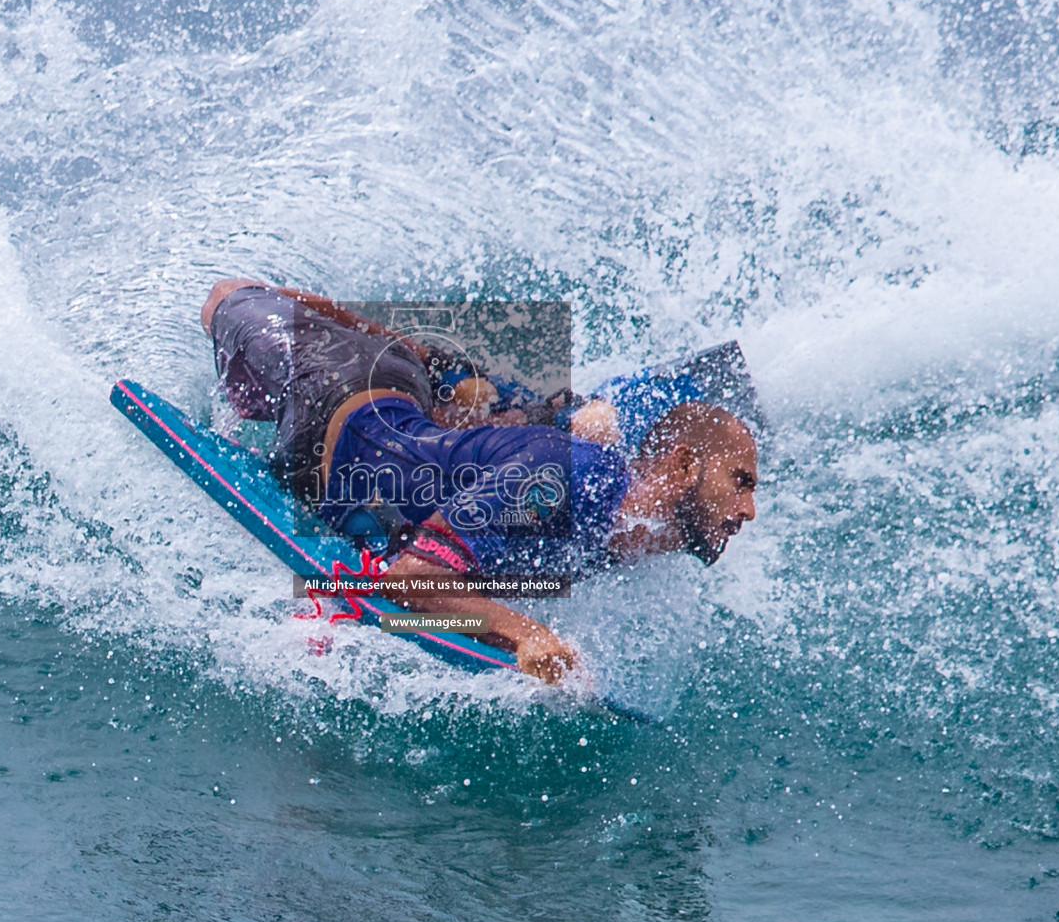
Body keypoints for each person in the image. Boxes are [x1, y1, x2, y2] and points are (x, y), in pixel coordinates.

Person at [202, 277, 758, 683]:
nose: (750, 509)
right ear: (683, 468)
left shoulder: (638, 527)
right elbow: (409, 578)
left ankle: (446, 375)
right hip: (331, 400)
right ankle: (426, 363)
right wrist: (523, 633)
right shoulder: (571, 476)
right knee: (226, 300)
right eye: (740, 482)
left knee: (479, 401)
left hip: (403, 406)